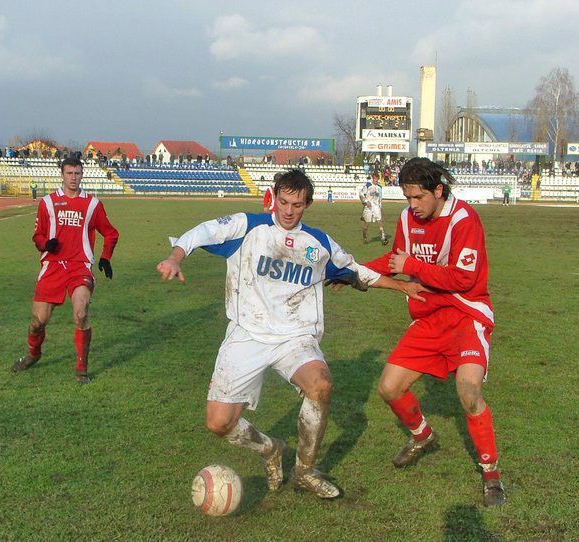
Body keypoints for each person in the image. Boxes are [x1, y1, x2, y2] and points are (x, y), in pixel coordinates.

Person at [156, 169, 428, 499]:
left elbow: (357, 272)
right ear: (275, 197)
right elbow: (203, 231)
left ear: (307, 205)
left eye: (297, 205)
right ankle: (270, 448)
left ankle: (305, 470)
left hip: (295, 338)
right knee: (219, 424)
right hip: (247, 334)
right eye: (284, 202)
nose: (288, 211)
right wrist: (175, 257)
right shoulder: (249, 227)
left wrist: (401, 286)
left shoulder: (318, 243)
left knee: (321, 384)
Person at [364, 158, 506, 507]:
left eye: (418, 198)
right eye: (407, 197)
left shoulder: (463, 219)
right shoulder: (406, 219)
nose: (412, 205)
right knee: (389, 387)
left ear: (438, 191)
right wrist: (354, 272)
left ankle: (491, 477)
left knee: (469, 390)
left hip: (465, 314)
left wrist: (412, 267)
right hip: (428, 319)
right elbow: (394, 259)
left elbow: (463, 279)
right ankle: (422, 436)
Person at [12, 157, 119, 384]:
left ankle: (81, 369)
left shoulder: (92, 205)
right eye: (69, 173)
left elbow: (110, 233)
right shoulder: (48, 203)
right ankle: (34, 353)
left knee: (81, 313)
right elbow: (38, 235)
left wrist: (105, 258)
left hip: (79, 267)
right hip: (52, 267)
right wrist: (45, 245)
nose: (73, 177)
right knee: (38, 321)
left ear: (82, 175)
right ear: (62, 174)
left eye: (77, 173)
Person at [359, 173, 387, 245]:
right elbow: (361, 194)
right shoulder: (368, 185)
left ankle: (383, 238)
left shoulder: (379, 187)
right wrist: (366, 201)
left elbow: (380, 198)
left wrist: (380, 207)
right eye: (374, 178)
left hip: (376, 206)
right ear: (372, 178)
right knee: (367, 224)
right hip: (368, 207)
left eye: (377, 178)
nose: (376, 180)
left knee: (379, 222)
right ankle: (364, 237)